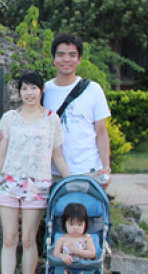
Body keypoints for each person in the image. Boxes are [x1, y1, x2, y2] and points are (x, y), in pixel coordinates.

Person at [0, 71, 71, 274]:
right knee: (9, 238)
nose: (29, 93)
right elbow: (1, 154)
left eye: (33, 88)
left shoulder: (51, 119)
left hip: (38, 184)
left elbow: (57, 156)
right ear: (19, 92)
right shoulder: (9, 118)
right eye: (24, 88)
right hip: (9, 183)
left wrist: (72, 183)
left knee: (28, 239)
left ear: (41, 90)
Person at [44, 33, 112, 186]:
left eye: (72, 55)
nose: (66, 59)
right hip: (54, 174)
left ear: (79, 59)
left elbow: (101, 132)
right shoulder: (44, 91)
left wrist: (106, 168)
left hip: (89, 172)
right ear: (53, 59)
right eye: (60, 55)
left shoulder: (93, 90)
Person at [53, 203, 97, 274]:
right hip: (66, 267)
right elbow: (55, 254)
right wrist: (62, 256)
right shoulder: (62, 239)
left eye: (80, 224)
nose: (75, 228)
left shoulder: (87, 238)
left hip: (82, 266)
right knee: (61, 273)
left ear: (85, 224)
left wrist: (78, 251)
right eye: (71, 224)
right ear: (65, 224)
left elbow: (92, 253)